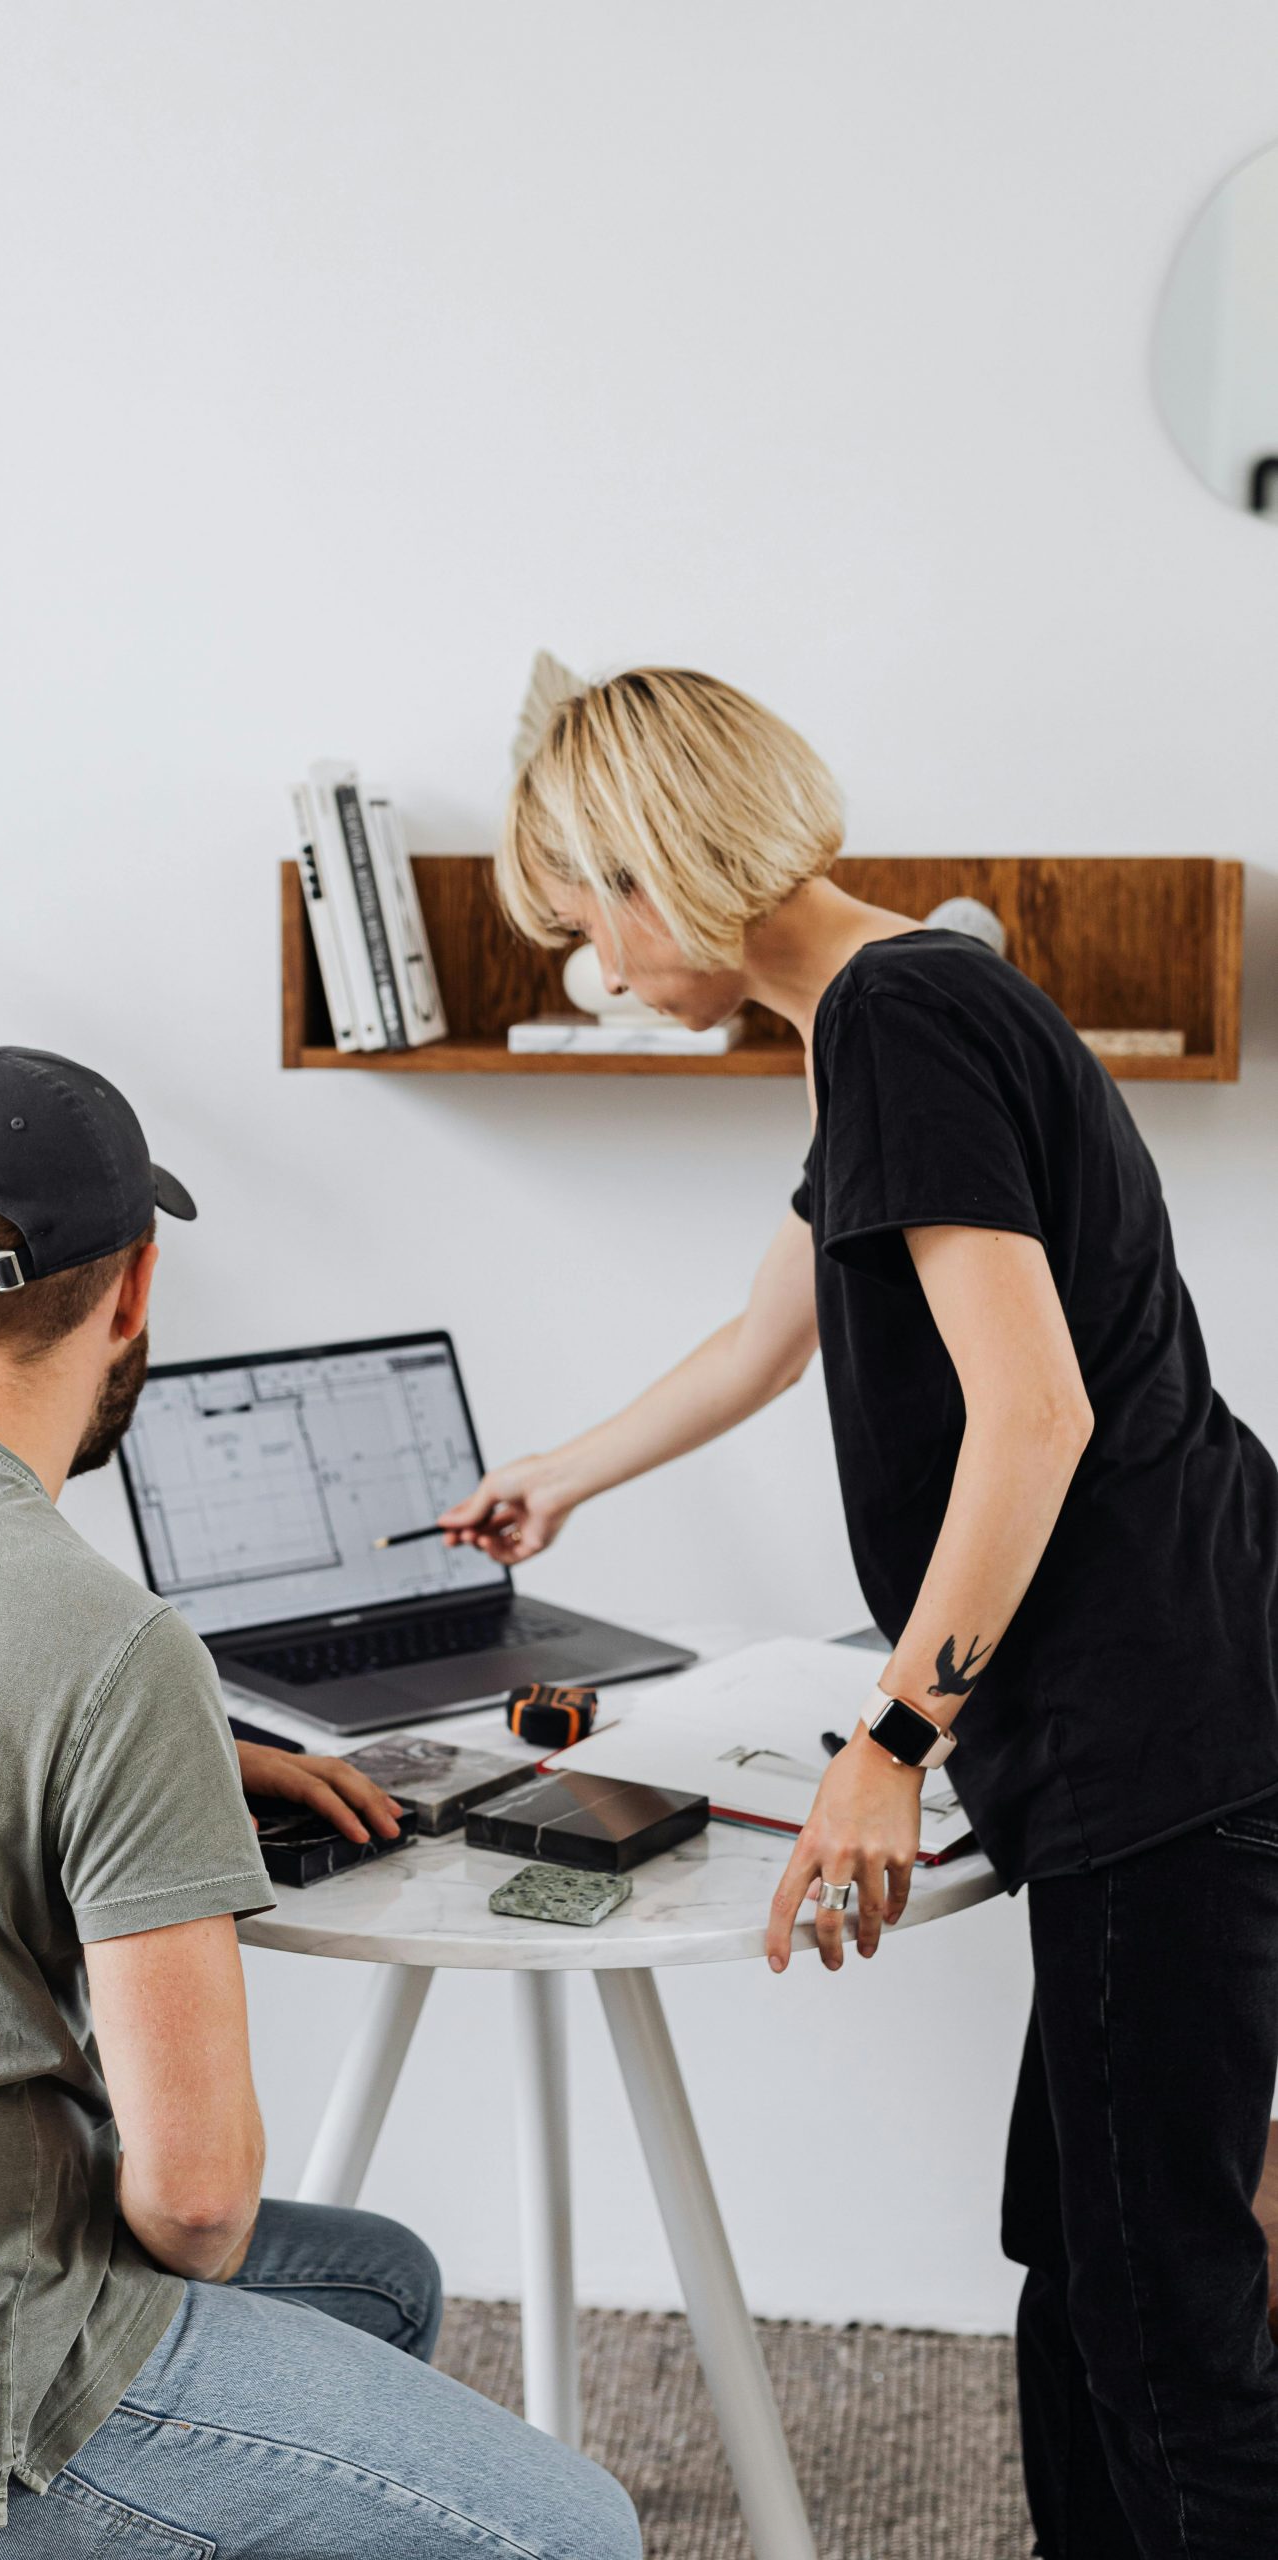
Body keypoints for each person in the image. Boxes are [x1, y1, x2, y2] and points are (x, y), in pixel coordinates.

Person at [440, 669, 1278, 2559]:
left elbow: (1035, 1413)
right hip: (1173, 1677)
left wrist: (891, 1743)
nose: (598, 968)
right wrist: (565, 1472)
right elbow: (771, 1326)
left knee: (1166, 2325)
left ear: (656, 870)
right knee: (1081, 2254)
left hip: (1158, 1715)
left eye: (587, 924)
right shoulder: (894, 1002)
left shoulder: (898, 1014)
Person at [0, 1043, 640, 2560]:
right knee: (581, 2534)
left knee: (382, 2286)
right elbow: (197, 2213)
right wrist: (141, 1733)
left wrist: (170, 1767)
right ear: (135, 1293)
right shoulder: (114, 1650)